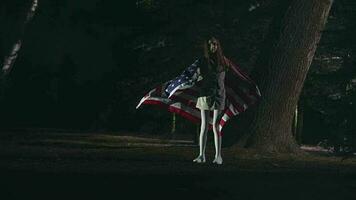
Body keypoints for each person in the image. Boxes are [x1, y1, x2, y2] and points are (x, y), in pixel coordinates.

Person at [193, 37, 229, 165]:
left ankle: (218, 156)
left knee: (216, 126)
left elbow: (228, 78)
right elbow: (195, 76)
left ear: (218, 45)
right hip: (205, 95)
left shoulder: (224, 61)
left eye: (215, 44)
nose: (212, 46)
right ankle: (201, 155)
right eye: (210, 45)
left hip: (219, 95)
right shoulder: (203, 61)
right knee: (204, 125)